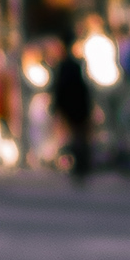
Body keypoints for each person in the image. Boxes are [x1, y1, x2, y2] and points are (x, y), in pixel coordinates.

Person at [50, 32, 96, 183]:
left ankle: (79, 164)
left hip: (72, 106)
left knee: (75, 136)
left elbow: (60, 88)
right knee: (78, 136)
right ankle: (81, 164)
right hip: (77, 105)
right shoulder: (75, 64)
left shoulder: (65, 65)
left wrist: (57, 106)